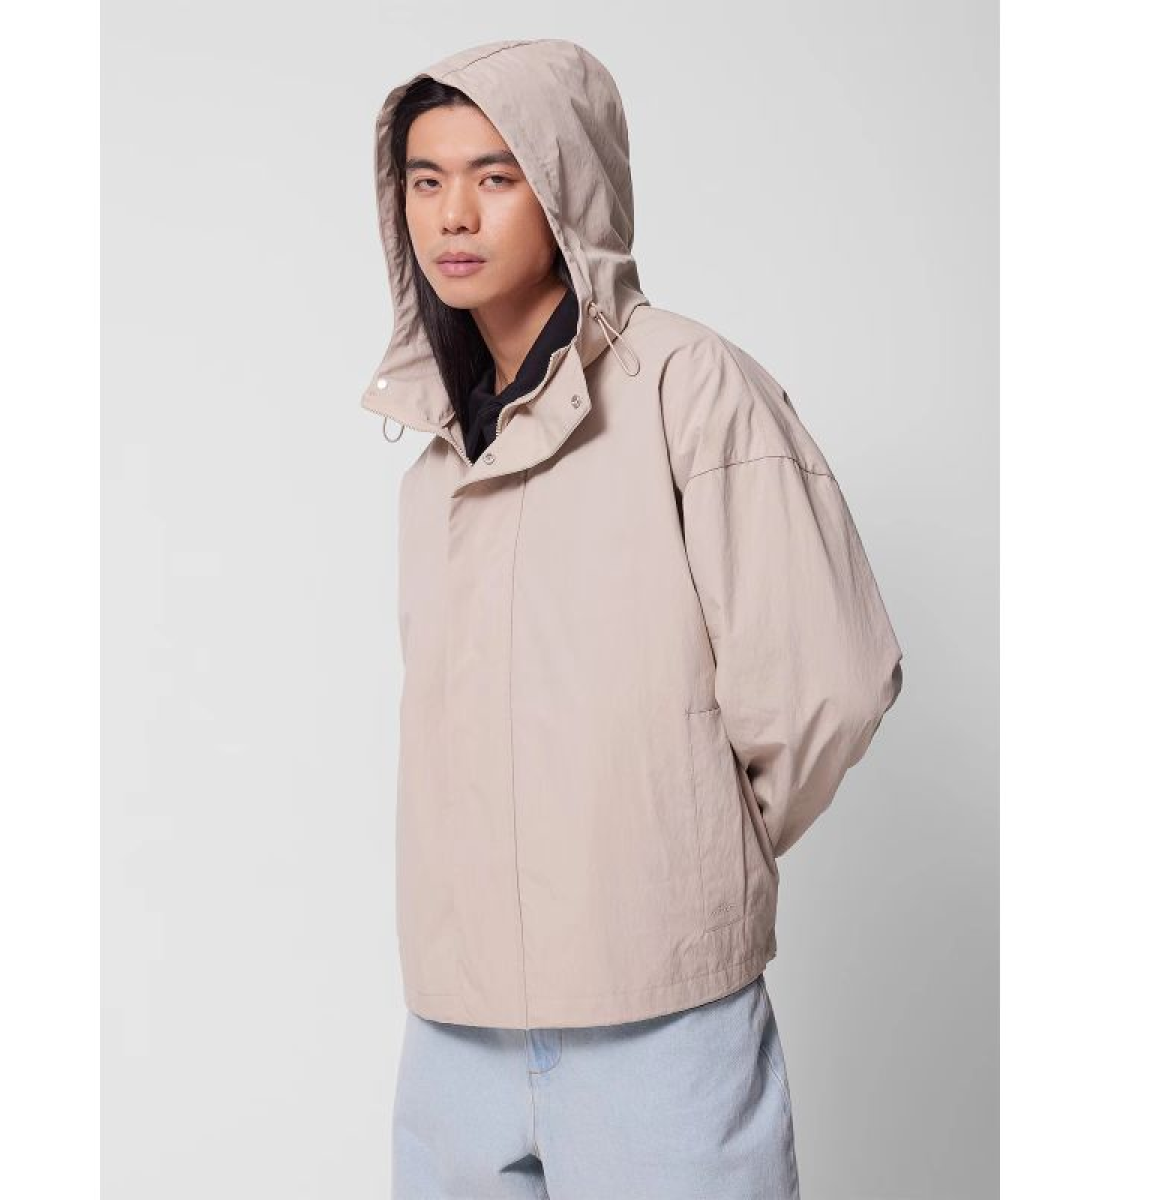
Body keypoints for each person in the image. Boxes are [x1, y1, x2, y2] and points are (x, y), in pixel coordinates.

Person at [362, 38, 904, 1200]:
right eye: (426, 179)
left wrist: (687, 842)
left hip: (661, 1026)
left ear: (570, 185)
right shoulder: (437, 463)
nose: (453, 214)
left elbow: (832, 680)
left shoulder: (690, 388)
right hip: (453, 1032)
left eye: (497, 176)